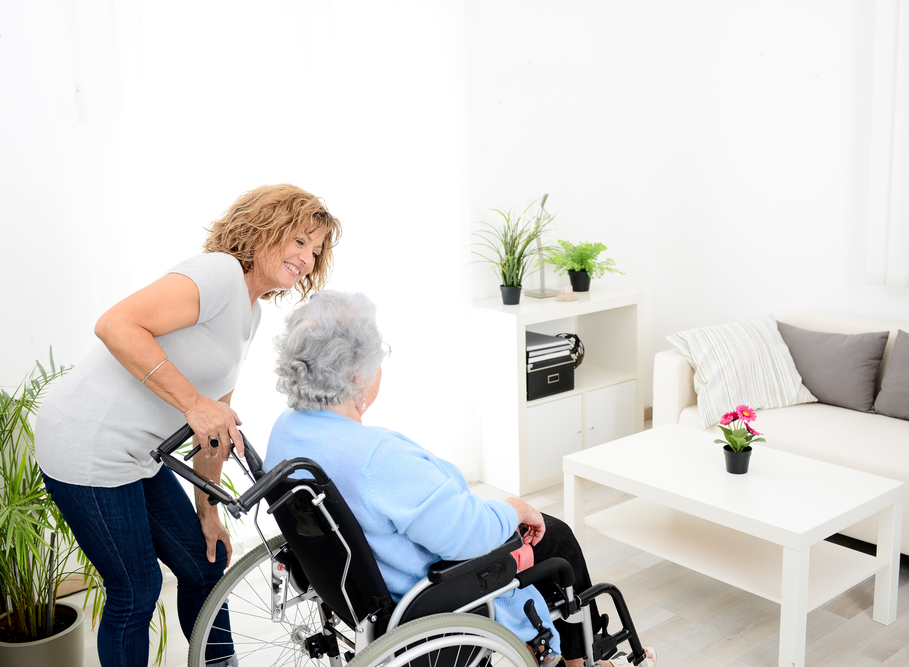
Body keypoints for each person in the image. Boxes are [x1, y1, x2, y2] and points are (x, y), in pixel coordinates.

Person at [34, 184, 341, 667]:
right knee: (136, 591)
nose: (307, 257)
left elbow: (212, 427)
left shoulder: (251, 312)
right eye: (300, 240)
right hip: (86, 444)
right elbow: (116, 325)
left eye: (316, 249)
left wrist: (208, 510)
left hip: (138, 454)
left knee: (206, 562)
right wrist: (193, 401)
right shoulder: (217, 272)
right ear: (265, 227)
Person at [264, 291, 656, 667]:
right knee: (555, 537)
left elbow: (379, 478)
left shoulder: (288, 430)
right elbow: (470, 535)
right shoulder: (377, 459)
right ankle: (579, 659)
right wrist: (516, 507)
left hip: (353, 592)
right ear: (356, 377)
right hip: (426, 593)